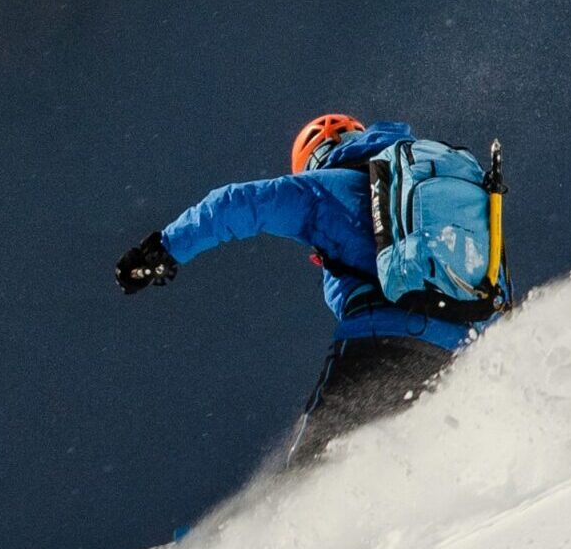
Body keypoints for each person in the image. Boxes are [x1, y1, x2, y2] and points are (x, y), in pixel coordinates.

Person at [116, 114, 501, 471]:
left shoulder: (324, 189)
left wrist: (161, 250)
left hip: (380, 341)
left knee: (314, 462)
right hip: (460, 347)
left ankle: (272, 532)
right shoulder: (438, 189)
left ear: (314, 158)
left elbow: (236, 204)